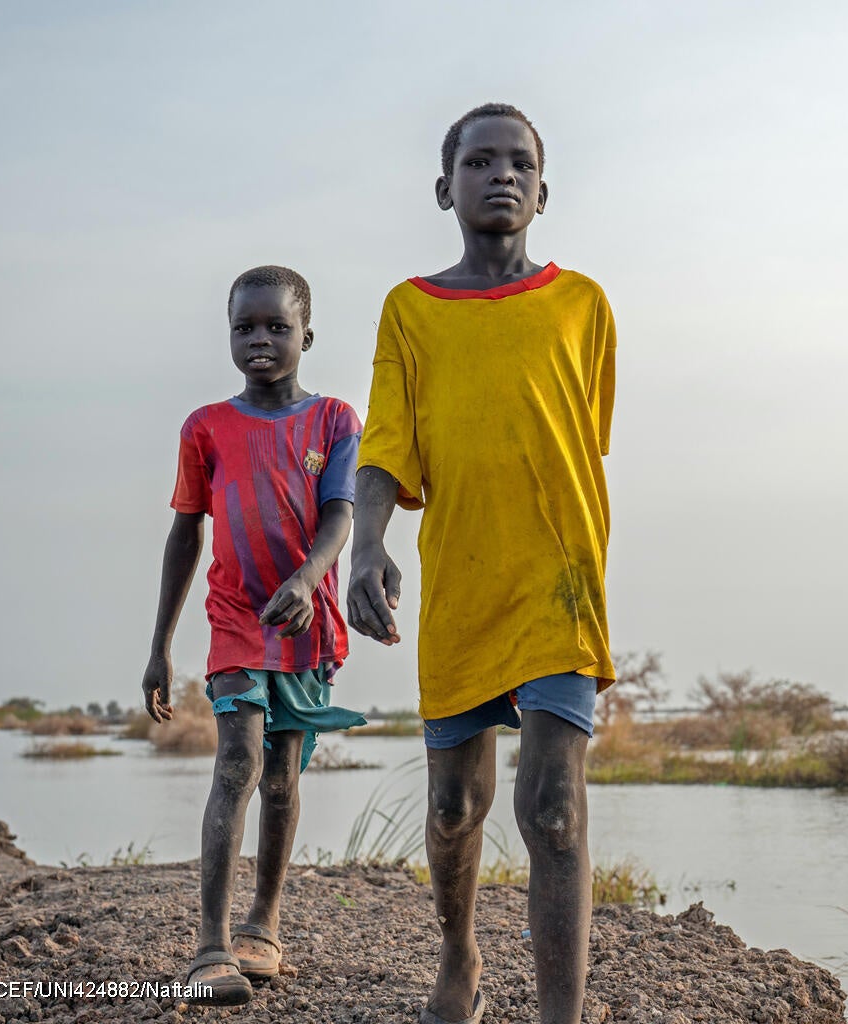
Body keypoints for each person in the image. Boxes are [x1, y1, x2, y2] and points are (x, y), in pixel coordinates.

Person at [348, 103, 616, 1024]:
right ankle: (458, 957)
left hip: (558, 580)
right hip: (460, 579)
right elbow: (384, 446)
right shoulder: (409, 311)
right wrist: (367, 543)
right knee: (456, 808)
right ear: (444, 186)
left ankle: (560, 1016)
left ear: (545, 190)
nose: (500, 174)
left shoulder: (583, 305)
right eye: (478, 160)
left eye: (520, 163)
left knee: (551, 810)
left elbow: (579, 441)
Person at [142, 265, 367, 1006]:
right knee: (235, 760)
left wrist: (307, 580)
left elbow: (340, 515)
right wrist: (159, 644)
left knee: (284, 771)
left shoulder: (334, 419)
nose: (261, 339)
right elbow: (185, 535)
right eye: (246, 327)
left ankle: (262, 924)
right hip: (236, 614)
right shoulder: (206, 427)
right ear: (229, 335)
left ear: (308, 334)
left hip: (303, 617)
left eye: (277, 326)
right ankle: (209, 945)